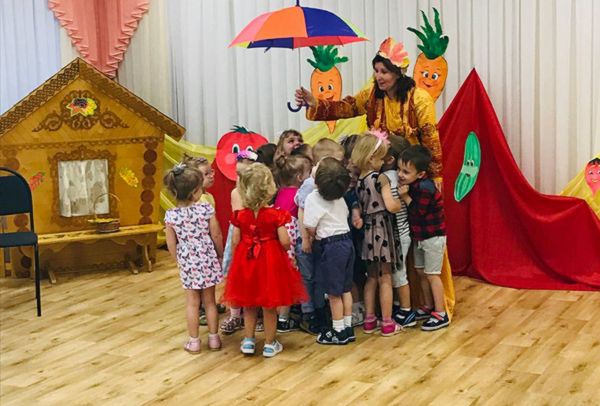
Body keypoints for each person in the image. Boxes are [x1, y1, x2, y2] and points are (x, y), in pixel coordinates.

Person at [294, 37, 443, 191]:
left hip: (409, 170)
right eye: (376, 71)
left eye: (384, 72)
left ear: (398, 74)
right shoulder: (371, 95)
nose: (378, 76)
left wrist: (435, 175)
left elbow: (431, 138)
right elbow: (346, 107)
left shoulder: (420, 99)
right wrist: (314, 102)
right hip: (379, 165)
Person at [223, 163, 307, 358]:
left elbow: (235, 240)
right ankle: (270, 344)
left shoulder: (240, 215)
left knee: (249, 303)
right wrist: (285, 250)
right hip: (270, 262)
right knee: (269, 305)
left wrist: (238, 259)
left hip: (247, 261)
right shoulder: (276, 215)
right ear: (269, 188)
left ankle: (249, 340)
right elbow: (285, 241)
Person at [164, 163, 224, 353]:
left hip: (188, 261)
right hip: (208, 258)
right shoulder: (205, 209)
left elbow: (171, 243)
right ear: (194, 192)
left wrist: (178, 260)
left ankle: (194, 341)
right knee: (210, 301)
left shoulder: (171, 215)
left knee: (192, 302)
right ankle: (214, 339)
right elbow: (216, 235)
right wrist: (220, 254)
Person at [351, 133, 402, 336]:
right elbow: (391, 205)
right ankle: (388, 322)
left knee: (371, 277)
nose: (383, 162)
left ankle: (369, 319)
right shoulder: (380, 178)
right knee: (385, 277)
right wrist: (400, 201)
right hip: (382, 230)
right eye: (381, 158)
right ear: (372, 158)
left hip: (368, 232)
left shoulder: (359, 181)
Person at [295, 139, 346, 335]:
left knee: (319, 277)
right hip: (308, 239)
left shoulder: (329, 182)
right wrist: (305, 239)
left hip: (322, 239)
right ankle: (309, 313)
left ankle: (320, 309)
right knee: (308, 277)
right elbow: (302, 211)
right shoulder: (310, 185)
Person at [304, 157, 355, 345]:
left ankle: (338, 331)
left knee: (333, 292)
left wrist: (313, 236)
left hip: (331, 246)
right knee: (345, 289)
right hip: (347, 241)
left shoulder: (313, 198)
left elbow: (310, 227)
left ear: (317, 181)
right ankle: (348, 327)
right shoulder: (339, 196)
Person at [397, 145, 449, 331]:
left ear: (420, 174)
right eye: (399, 169)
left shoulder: (425, 188)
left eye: (406, 172)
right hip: (420, 236)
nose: (400, 175)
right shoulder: (415, 185)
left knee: (432, 274)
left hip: (433, 237)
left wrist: (405, 197)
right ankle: (427, 305)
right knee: (420, 271)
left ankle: (441, 313)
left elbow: (418, 211)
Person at [377, 135, 417, 327]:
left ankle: (406, 311)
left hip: (398, 235)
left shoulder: (388, 178)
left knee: (399, 274)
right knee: (395, 273)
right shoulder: (395, 177)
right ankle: (397, 306)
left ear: (389, 159)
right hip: (399, 234)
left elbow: (391, 206)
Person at [219, 151, 258, 335]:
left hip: (252, 236)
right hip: (241, 236)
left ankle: (252, 314)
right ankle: (236, 315)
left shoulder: (254, 193)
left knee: (252, 276)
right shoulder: (237, 193)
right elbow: (238, 220)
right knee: (235, 276)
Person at [273, 154, 312, 333]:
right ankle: (284, 319)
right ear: (299, 177)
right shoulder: (299, 195)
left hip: (277, 243)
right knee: (292, 282)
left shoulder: (280, 193)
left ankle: (280, 317)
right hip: (290, 244)